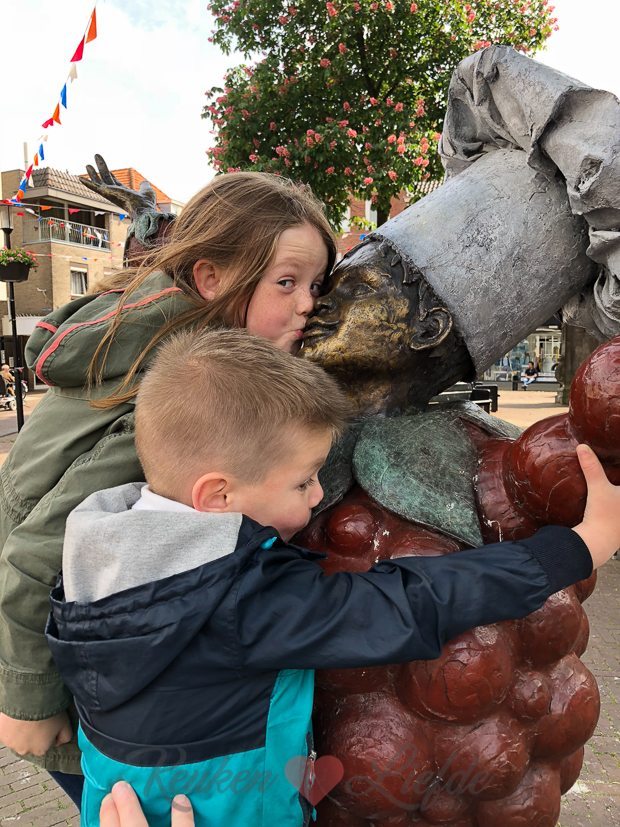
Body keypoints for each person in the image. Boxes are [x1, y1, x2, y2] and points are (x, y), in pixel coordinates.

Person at [46, 328, 620, 827]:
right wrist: (574, 549)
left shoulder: (94, 560)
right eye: (302, 483)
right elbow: (409, 601)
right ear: (217, 495)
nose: (320, 495)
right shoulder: (243, 602)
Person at [0, 171, 335, 802]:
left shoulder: (155, 350)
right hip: (80, 686)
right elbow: (34, 558)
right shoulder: (183, 408)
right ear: (212, 280)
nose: (308, 304)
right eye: (285, 283)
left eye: (315, 285)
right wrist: (29, 700)